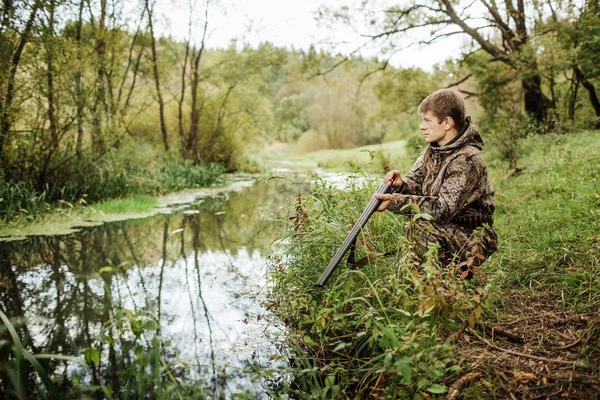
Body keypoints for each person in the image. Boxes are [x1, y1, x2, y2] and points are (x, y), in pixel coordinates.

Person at [374, 89, 498, 273]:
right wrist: (402, 185)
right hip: (448, 227)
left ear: (447, 122)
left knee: (421, 227)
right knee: (416, 226)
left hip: (473, 235)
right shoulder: (433, 150)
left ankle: (437, 281)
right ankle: (418, 280)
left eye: (427, 120)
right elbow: (416, 186)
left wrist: (395, 201)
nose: (421, 126)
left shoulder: (467, 159)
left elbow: (442, 208)